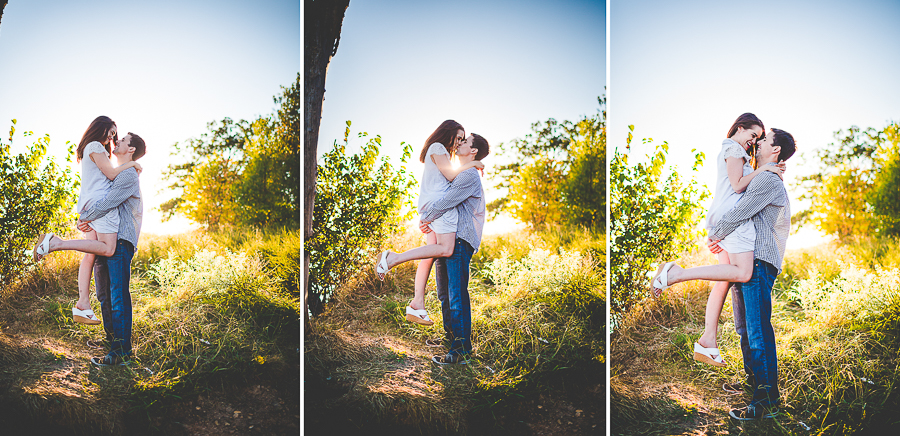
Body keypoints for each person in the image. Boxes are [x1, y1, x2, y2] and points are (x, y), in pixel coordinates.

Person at [651, 113, 784, 367]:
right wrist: (765, 168)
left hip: (723, 215)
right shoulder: (733, 148)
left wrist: (766, 167)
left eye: (758, 139)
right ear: (740, 128)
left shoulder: (737, 152)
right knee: (744, 272)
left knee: (725, 278)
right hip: (733, 219)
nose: (753, 142)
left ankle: (708, 341)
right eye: (752, 135)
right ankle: (676, 273)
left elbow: (744, 181)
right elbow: (737, 186)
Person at [709, 128, 795, 420]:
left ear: (776, 151)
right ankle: (755, 385)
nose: (757, 143)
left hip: (758, 262)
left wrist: (714, 235)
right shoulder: (761, 175)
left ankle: (766, 402)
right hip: (747, 260)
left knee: (757, 331)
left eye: (764, 140)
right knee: (745, 329)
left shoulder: (768, 180)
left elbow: (740, 211)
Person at [32, 116, 141, 326]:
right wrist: (133, 164)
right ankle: (56, 243)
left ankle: (83, 303)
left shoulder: (89, 149)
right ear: (101, 127)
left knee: (90, 254)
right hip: (100, 203)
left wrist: (86, 215)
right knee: (108, 248)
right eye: (111, 132)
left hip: (89, 203)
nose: (112, 138)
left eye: (115, 135)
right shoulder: (95, 146)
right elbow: (110, 175)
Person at [374, 120, 483, 326]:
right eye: (458, 138)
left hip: (434, 207)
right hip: (439, 207)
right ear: (447, 132)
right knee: (446, 248)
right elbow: (451, 176)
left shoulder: (441, 152)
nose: (458, 143)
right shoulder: (438, 147)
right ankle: (392, 259)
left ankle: (417, 303)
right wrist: (473, 163)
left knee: (431, 253)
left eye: (462, 140)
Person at [417, 134, 489, 365]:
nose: (460, 144)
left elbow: (447, 200)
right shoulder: (462, 171)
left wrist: (425, 218)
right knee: (445, 294)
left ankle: (460, 351)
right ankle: (453, 342)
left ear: (474, 150)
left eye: (465, 141)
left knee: (456, 295)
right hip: (448, 239)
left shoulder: (468, 175)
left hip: (458, 240)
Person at [77, 133, 145, 366]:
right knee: (104, 295)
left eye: (123, 140)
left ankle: (121, 352)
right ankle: (112, 344)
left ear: (132, 149)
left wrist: (84, 218)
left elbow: (108, 203)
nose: (117, 142)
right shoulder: (114, 174)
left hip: (121, 241)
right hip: (106, 240)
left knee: (117, 296)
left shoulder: (128, 174)